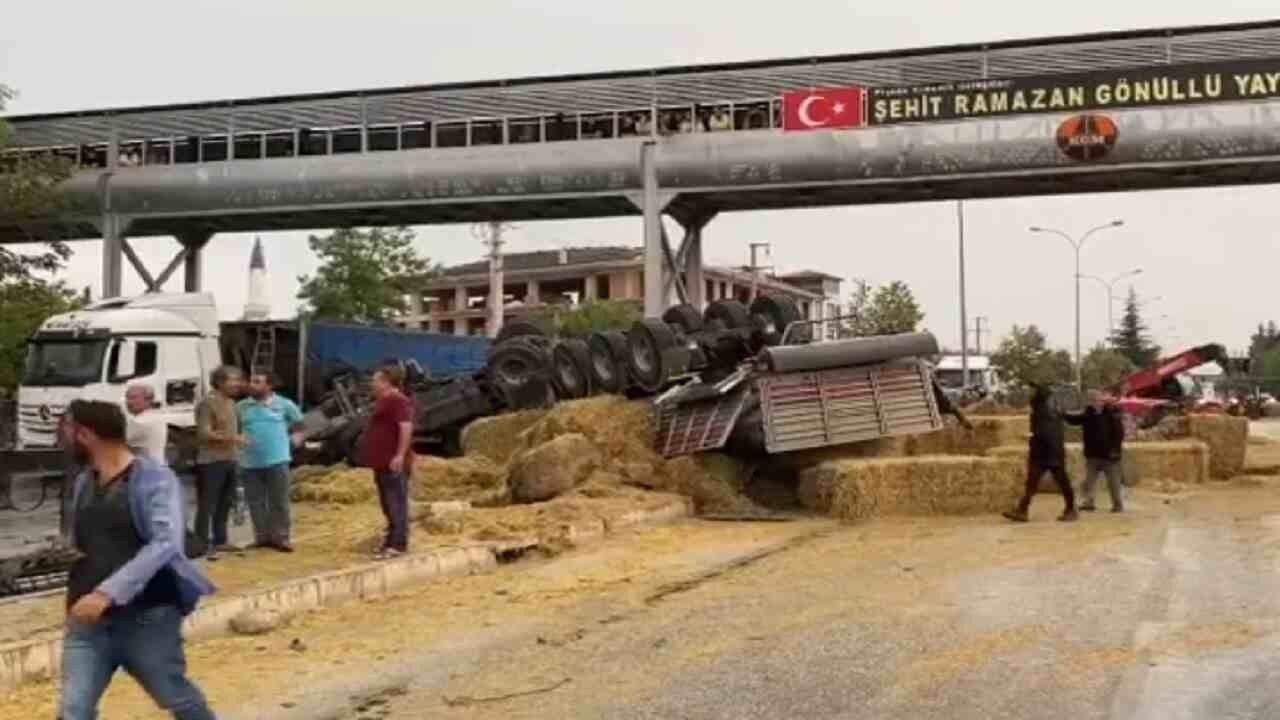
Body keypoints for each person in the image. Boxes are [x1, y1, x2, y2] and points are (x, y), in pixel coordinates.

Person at [58, 399, 216, 720]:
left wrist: (106, 593)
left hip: (147, 616)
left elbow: (166, 543)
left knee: (176, 697)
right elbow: (88, 540)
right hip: (88, 621)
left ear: (85, 434)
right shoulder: (84, 482)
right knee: (73, 709)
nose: (62, 439)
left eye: (66, 430)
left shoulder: (154, 478)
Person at [236, 373, 303, 553]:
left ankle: (281, 538)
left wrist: (297, 437)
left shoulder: (284, 404)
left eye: (257, 382)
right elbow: (236, 430)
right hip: (249, 463)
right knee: (255, 502)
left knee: (279, 501)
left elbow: (298, 423)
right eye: (251, 381)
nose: (252, 385)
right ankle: (262, 537)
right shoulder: (241, 407)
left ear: (270, 386)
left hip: (277, 460)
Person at [1003, 382, 1078, 523]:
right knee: (1032, 483)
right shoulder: (1042, 409)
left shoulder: (1045, 411)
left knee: (1062, 482)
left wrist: (1031, 436)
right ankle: (1022, 510)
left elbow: (1047, 432)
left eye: (1032, 391)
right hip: (1045, 451)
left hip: (1049, 452)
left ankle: (1071, 509)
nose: (1029, 393)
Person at [361, 366, 415, 559]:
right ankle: (390, 541)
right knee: (387, 503)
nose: (372, 383)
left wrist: (399, 455)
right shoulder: (383, 401)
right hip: (381, 462)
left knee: (396, 503)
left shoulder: (398, 401)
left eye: (375, 380)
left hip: (393, 463)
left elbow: (406, 427)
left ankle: (399, 544)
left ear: (386, 381)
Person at [194, 366, 245, 560]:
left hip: (230, 458)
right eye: (233, 380)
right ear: (220, 382)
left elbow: (236, 430)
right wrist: (233, 439)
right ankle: (201, 543)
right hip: (211, 461)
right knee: (207, 504)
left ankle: (220, 540)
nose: (237, 384)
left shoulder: (232, 403)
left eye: (238, 380)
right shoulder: (208, 403)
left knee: (225, 502)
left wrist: (238, 440)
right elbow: (204, 433)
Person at [1064, 390, 1127, 513]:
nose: (1097, 403)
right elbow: (1074, 420)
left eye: (1099, 400)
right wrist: (1062, 414)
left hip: (1109, 456)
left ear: (1103, 402)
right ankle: (1089, 503)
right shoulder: (1088, 414)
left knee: (1113, 483)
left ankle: (1117, 505)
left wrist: (1115, 450)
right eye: (1093, 400)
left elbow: (1119, 434)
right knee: (1089, 482)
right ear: (1090, 402)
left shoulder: (1112, 415)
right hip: (1092, 455)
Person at [125, 384, 167, 464]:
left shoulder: (140, 422)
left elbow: (114, 442)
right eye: (127, 398)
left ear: (148, 400)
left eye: (133, 398)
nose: (128, 402)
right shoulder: (157, 417)